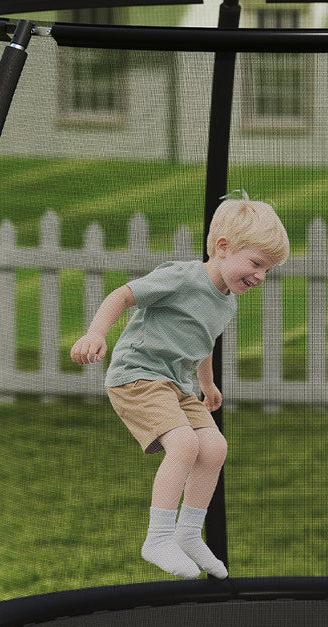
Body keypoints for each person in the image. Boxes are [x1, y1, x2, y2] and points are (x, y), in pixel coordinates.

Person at [71, 193, 289, 579]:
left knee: (215, 446)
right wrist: (95, 334)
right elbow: (123, 296)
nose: (260, 276)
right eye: (256, 263)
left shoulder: (227, 302)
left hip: (176, 383)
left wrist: (208, 385)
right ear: (223, 248)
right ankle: (157, 538)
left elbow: (203, 342)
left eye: (268, 270)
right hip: (137, 375)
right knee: (185, 444)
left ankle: (188, 533)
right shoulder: (182, 277)